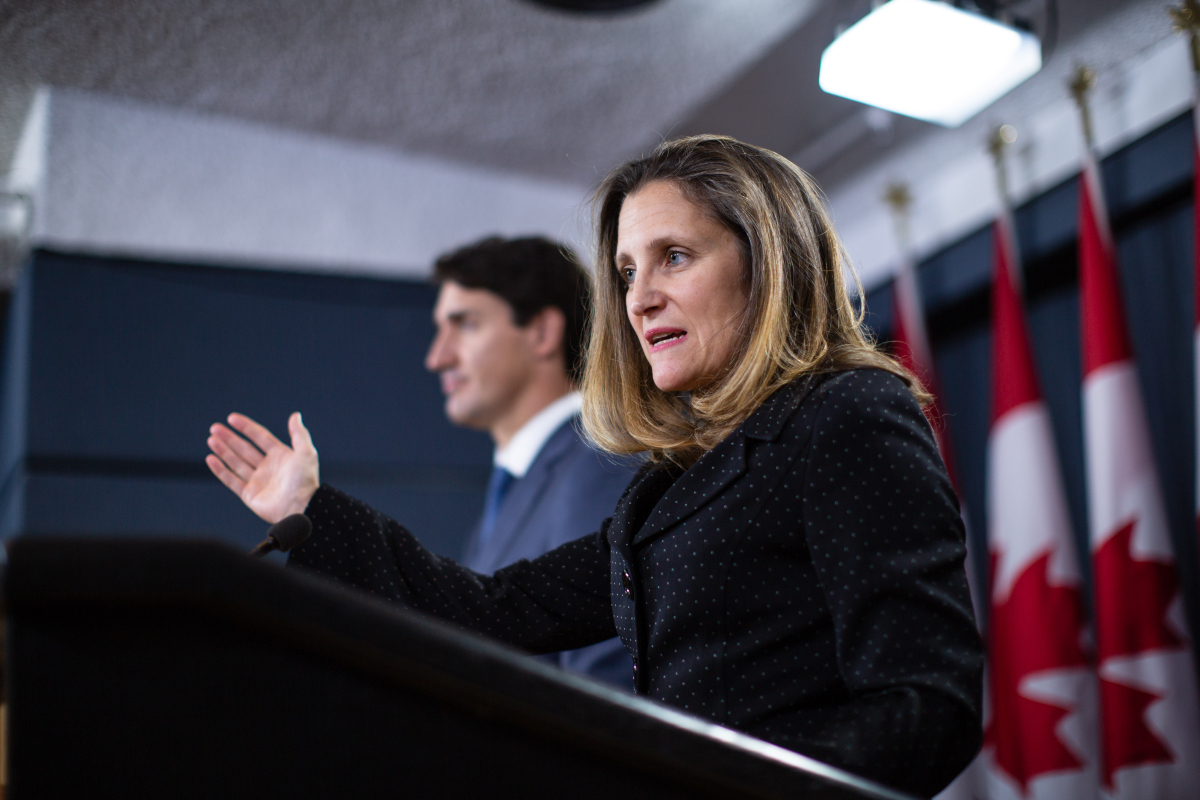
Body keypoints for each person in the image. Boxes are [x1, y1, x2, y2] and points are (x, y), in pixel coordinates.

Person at [206, 135, 984, 798]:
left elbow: (929, 705)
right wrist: (312, 511)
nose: (638, 299)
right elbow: (494, 610)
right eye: (625, 273)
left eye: (673, 257)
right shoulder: (664, 485)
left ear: (767, 263)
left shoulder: (845, 414)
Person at [423, 236, 638, 686]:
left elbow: (603, 685)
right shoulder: (511, 491)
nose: (437, 357)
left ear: (542, 332)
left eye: (464, 325)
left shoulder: (600, 462)